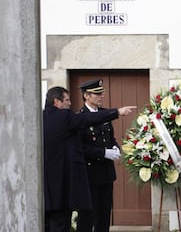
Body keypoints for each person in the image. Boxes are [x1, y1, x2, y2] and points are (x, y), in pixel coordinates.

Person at [43, 86, 136, 232]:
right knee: (74, 221)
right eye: (67, 100)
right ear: (56, 101)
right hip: (75, 178)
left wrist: (113, 149)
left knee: (101, 216)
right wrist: (117, 111)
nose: (69, 104)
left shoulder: (40, 118)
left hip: (49, 183)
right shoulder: (66, 117)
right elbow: (87, 120)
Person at [76, 79, 123, 232]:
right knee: (87, 216)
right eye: (97, 94)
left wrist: (115, 148)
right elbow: (81, 147)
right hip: (89, 174)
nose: (101, 96)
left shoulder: (105, 114)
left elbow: (110, 138)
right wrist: (103, 153)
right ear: (86, 96)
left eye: (101, 93)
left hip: (106, 173)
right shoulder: (80, 117)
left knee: (104, 216)